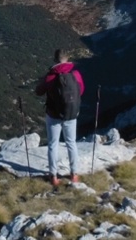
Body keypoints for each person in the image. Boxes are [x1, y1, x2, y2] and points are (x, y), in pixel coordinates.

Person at [34, 48, 84, 186]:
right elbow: (81, 90)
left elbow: (38, 91)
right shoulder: (75, 74)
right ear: (68, 58)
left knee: (53, 145)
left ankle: (54, 176)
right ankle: (74, 174)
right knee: (71, 143)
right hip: (71, 114)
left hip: (53, 115)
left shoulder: (50, 77)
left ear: (55, 59)